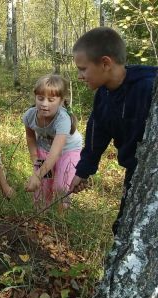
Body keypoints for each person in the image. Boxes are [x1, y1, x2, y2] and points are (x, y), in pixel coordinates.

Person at [69, 27, 158, 232]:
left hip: (149, 174)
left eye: (83, 69)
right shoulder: (104, 94)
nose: (80, 76)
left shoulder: (147, 89)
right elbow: (96, 133)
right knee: (122, 227)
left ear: (105, 63)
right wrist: (83, 170)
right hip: (135, 174)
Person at [23, 74, 82, 210]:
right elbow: (31, 137)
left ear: (61, 101)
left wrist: (37, 174)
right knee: (42, 185)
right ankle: (41, 217)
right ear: (35, 97)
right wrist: (35, 160)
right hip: (44, 148)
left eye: (51, 100)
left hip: (68, 150)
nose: (44, 104)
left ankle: (60, 219)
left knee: (61, 185)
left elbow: (55, 153)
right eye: (40, 98)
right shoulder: (29, 115)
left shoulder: (63, 119)